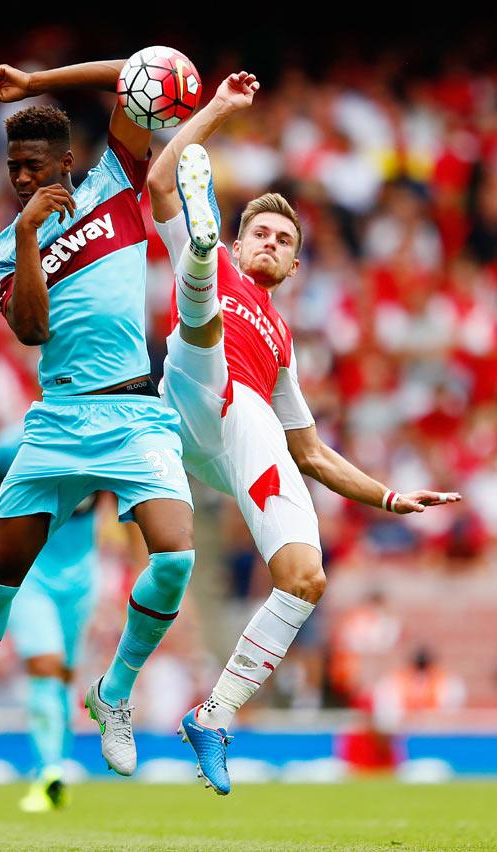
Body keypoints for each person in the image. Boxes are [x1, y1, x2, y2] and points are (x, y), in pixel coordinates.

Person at [0, 57, 195, 796]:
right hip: (55, 422)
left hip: (133, 412)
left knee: (175, 558)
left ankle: (112, 693)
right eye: (12, 167)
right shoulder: (0, 248)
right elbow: (31, 329)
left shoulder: (117, 179)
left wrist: (34, 82)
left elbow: (146, 71)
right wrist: (26, 236)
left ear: (66, 159)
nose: (21, 177)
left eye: (32, 165)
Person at [146, 71, 462, 795]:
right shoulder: (230, 264)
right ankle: (194, 258)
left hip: (230, 437)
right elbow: (162, 177)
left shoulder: (285, 340)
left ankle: (214, 715)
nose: (271, 241)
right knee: (202, 316)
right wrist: (220, 109)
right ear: (242, 238)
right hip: (197, 390)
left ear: (293, 264)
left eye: (284, 239)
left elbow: (312, 451)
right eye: (259, 229)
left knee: (306, 578)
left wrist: (387, 497)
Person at [0, 423, 100, 812]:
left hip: (81, 577)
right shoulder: (15, 443)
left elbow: (115, 499)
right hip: (29, 571)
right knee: (46, 666)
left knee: (66, 675)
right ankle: (49, 772)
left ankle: (57, 768)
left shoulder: (105, 437)